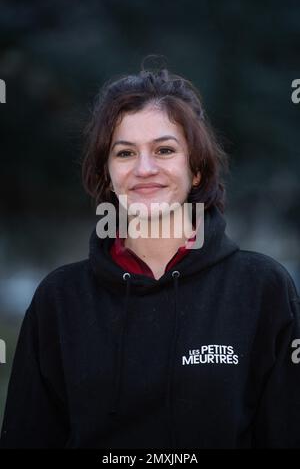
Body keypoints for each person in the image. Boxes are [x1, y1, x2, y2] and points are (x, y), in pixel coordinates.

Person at [1, 59, 300, 449]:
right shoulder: (59, 300)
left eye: (164, 150)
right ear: (107, 173)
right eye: (124, 153)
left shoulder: (263, 290)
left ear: (196, 169)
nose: (144, 168)